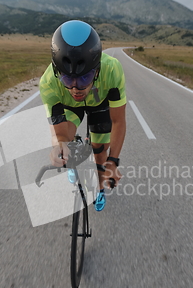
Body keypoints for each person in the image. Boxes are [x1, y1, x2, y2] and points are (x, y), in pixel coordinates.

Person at [39, 20, 127, 212]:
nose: (75, 88)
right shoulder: (47, 82)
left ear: (96, 71)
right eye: (66, 78)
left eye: (84, 78)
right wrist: (59, 147)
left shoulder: (112, 69)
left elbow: (118, 121)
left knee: (100, 150)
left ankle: (100, 189)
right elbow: (59, 133)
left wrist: (113, 162)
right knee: (66, 142)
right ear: (56, 71)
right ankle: (70, 160)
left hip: (100, 102)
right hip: (70, 107)